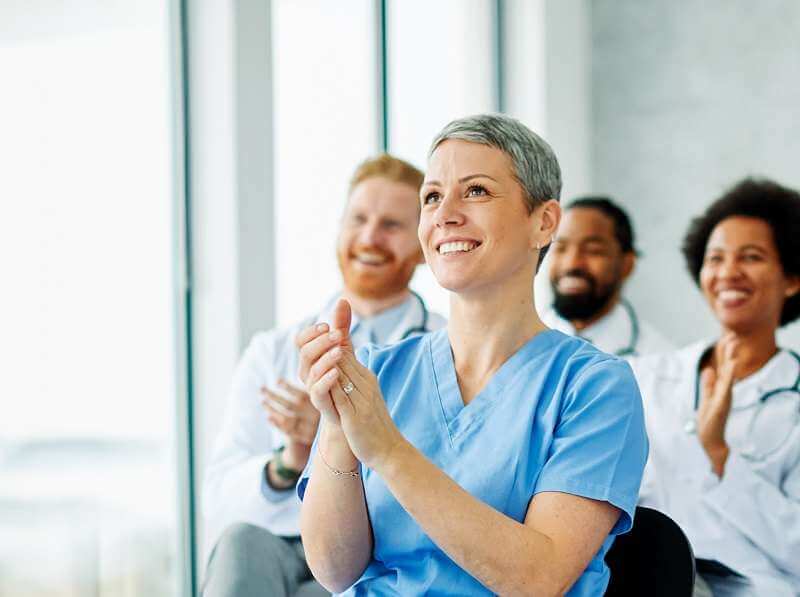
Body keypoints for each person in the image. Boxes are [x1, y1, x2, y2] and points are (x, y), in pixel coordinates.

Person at [295, 114, 648, 596]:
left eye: (477, 191)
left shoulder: (594, 387)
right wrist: (339, 430)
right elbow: (334, 571)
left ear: (543, 222)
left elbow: (538, 579)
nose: (445, 214)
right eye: (433, 197)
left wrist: (386, 448)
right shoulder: (377, 371)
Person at [201, 154, 446, 597]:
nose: (370, 237)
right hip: (281, 546)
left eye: (391, 225)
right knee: (239, 544)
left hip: (387, 555)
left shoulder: (449, 349)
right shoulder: (272, 350)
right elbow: (219, 501)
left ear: (424, 244)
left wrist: (341, 440)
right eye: (358, 219)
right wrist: (291, 461)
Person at [631, 178, 800, 596]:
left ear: (792, 279)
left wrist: (719, 453)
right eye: (716, 258)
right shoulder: (645, 376)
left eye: (752, 257)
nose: (728, 273)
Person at [542, 196, 673, 357]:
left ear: (627, 265)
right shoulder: (515, 345)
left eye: (593, 251)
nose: (572, 264)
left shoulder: (660, 361)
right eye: (560, 248)